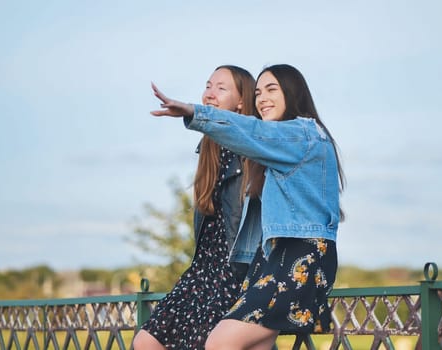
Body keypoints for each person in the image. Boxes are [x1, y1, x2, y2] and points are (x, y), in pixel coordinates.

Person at [150, 64, 345, 350]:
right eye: (258, 92)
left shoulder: (301, 133)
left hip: (299, 257)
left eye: (271, 90)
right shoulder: (286, 141)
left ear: (293, 93)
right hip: (274, 256)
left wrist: (195, 112)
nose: (262, 98)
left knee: (220, 342)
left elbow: (251, 130)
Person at [133, 65, 256, 350]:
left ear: (241, 101)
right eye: (208, 85)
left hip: (234, 272)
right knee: (146, 342)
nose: (210, 93)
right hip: (202, 271)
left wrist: (191, 113)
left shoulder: (251, 145)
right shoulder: (208, 148)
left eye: (221, 88)